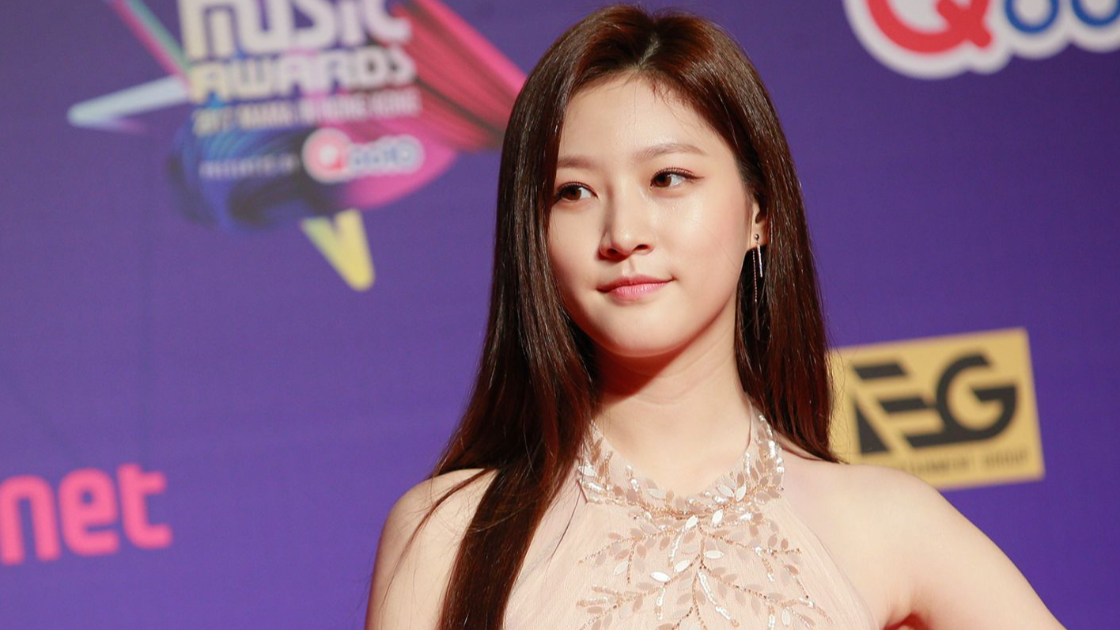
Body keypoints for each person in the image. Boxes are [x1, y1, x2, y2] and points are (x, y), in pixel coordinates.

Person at [365, 4, 1066, 629]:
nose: (623, 233)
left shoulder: (885, 524)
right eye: (573, 192)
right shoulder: (448, 535)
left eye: (668, 178)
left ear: (760, 211)